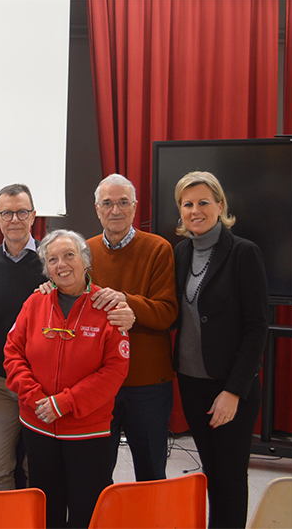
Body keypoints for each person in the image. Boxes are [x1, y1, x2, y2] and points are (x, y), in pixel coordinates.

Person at [4, 229, 129, 529]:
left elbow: (114, 371)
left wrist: (64, 403)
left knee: (88, 509)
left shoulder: (108, 307)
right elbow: (13, 353)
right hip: (38, 425)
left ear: (85, 260)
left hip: (88, 431)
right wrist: (36, 399)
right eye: (52, 260)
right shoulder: (35, 303)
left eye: (69, 255)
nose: (61, 265)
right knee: (47, 508)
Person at [173, 172, 268, 529]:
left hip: (230, 386)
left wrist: (233, 391)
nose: (195, 210)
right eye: (187, 204)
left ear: (220, 205)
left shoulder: (243, 252)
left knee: (229, 476)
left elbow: (257, 327)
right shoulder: (181, 252)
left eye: (203, 202)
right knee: (210, 471)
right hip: (191, 381)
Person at [88, 174, 178, 481]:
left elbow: (167, 313)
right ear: (97, 209)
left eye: (123, 202)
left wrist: (128, 303)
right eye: (107, 203)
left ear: (135, 207)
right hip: (99, 382)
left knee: (151, 473)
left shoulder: (159, 249)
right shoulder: (84, 252)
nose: (115, 210)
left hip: (148, 383)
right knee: (97, 473)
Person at [0, 184, 46, 490]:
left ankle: (36, 515)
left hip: (43, 382)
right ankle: (3, 515)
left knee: (39, 468)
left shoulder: (52, 261)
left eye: (22, 212)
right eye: (7, 213)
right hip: (1, 380)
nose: (15, 219)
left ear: (33, 215)